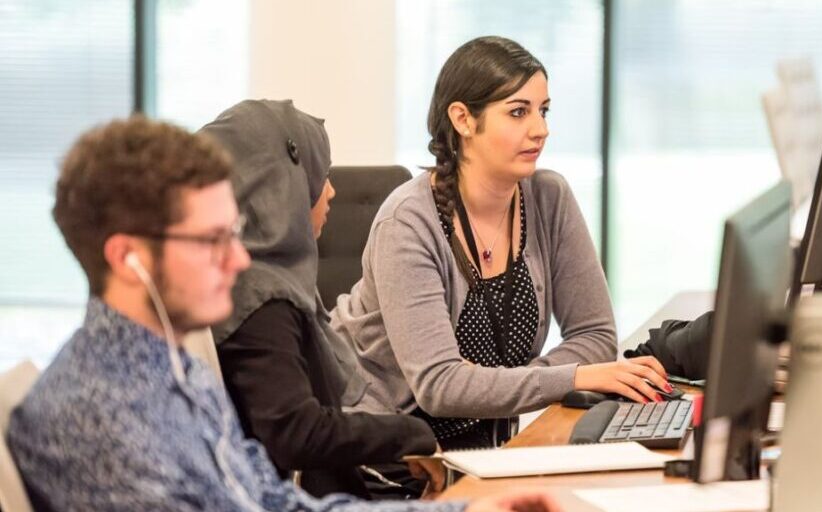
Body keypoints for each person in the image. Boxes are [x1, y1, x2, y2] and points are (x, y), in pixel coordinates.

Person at [5, 115, 558, 512]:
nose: (240, 258)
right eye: (212, 239)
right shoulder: (105, 417)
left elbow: (270, 500)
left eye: (235, 233)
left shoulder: (170, 367)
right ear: (128, 258)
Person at [330, 36, 671, 449]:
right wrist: (572, 376)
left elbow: (595, 335)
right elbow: (440, 385)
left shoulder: (549, 197)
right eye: (518, 112)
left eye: (543, 111)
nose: (540, 129)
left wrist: (504, 384)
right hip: (390, 455)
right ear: (463, 119)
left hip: (487, 449)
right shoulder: (408, 223)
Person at [202, 100, 440, 499]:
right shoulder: (261, 299)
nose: (331, 190)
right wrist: (411, 435)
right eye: (320, 175)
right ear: (280, 186)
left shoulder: (260, 280)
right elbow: (295, 433)